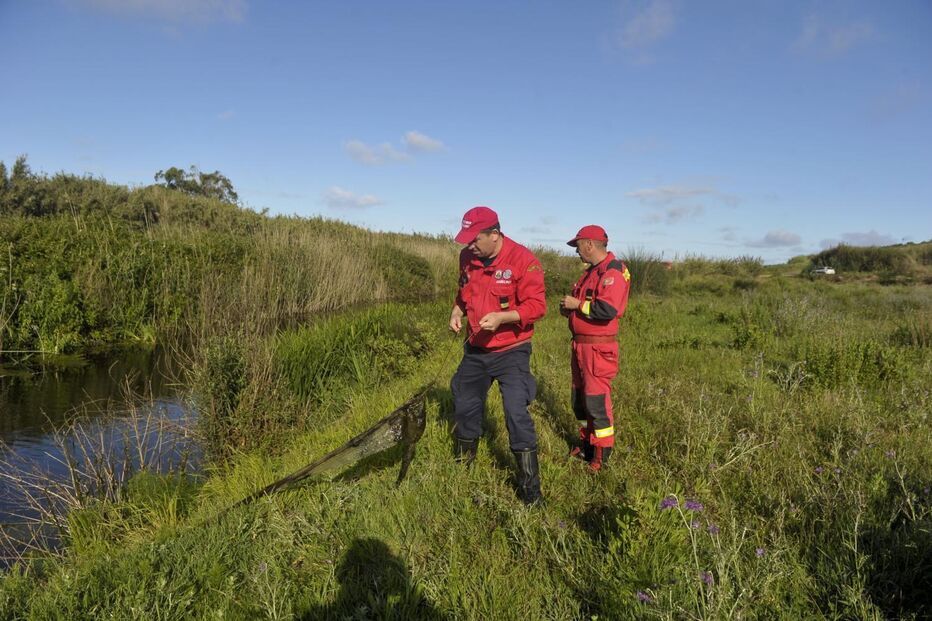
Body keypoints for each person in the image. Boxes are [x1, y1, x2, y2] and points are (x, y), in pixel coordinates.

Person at [448, 206, 547, 505]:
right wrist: (456, 311)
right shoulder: (468, 257)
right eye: (467, 240)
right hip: (476, 348)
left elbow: (537, 306)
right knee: (465, 405)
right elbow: (463, 292)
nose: (470, 246)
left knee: (516, 413)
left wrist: (504, 318)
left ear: (495, 234)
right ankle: (464, 472)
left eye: (475, 239)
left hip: (511, 350)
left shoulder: (523, 260)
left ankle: (531, 493)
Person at [559, 225, 630, 472]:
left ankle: (600, 454)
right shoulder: (590, 273)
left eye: (578, 246)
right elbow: (584, 304)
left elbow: (607, 310)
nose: (577, 252)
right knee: (579, 401)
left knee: (596, 402)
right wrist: (569, 308)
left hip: (597, 350)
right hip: (579, 346)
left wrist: (577, 305)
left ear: (589, 244)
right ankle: (587, 442)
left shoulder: (614, 271)